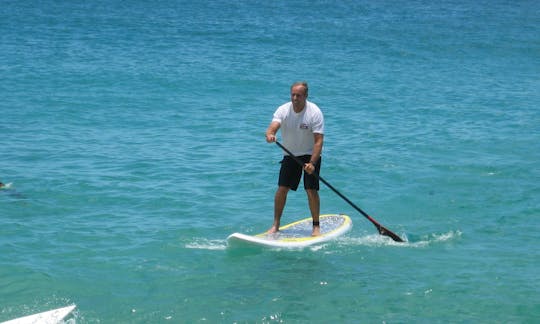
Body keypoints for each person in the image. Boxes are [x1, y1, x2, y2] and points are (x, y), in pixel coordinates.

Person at [265, 81, 324, 236]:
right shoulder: (283, 110)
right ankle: (276, 224)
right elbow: (273, 126)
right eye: (293, 94)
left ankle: (316, 226)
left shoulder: (314, 112)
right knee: (282, 189)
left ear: (306, 96)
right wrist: (270, 134)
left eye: (299, 95)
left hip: (310, 154)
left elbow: (318, 141)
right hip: (290, 154)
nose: (295, 98)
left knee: (311, 189)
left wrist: (312, 163)